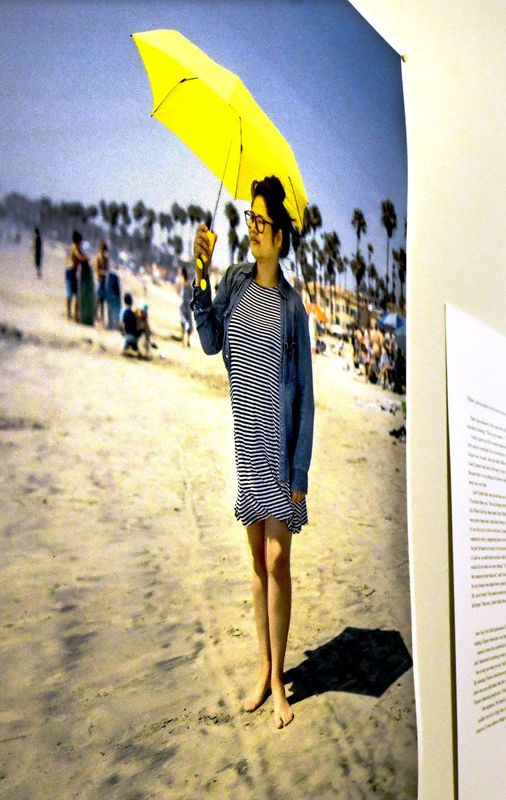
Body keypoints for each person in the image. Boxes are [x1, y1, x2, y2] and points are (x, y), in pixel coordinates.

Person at [193, 176, 313, 730]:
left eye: (261, 224)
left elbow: (306, 399)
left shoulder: (294, 310)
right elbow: (212, 340)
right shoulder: (235, 281)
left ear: (281, 238)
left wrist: (300, 473)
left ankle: (281, 677)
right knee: (256, 564)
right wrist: (199, 278)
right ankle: (265, 671)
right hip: (247, 442)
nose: (253, 231)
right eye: (250, 221)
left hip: (279, 453)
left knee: (278, 560)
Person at [66, 231, 85, 321]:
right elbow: (80, 257)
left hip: (71, 272)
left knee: (73, 294)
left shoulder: (74, 247)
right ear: (78, 241)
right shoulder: (74, 247)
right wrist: (85, 259)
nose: (81, 243)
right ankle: (72, 315)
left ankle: (71, 314)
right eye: (81, 241)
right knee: (73, 294)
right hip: (71, 271)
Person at [178, 265, 194, 347]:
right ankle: (187, 341)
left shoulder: (180, 281)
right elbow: (192, 295)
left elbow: (178, 291)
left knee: (183, 321)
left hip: (182, 304)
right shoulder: (189, 282)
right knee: (188, 321)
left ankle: (183, 341)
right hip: (188, 304)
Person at [94, 241, 110, 327]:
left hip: (104, 281)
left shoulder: (106, 259)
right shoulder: (98, 257)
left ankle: (102, 317)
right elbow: (96, 269)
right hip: (99, 280)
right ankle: (96, 315)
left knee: (102, 300)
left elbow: (107, 269)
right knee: (97, 299)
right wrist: (103, 272)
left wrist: (105, 272)